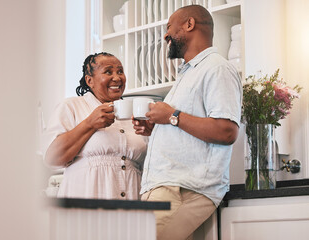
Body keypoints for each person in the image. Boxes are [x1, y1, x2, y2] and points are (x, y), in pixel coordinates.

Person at [132, 5, 242, 240]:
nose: (165, 35)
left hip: (184, 189)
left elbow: (226, 131)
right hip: (169, 187)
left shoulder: (217, 68)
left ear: (189, 24)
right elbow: (186, 125)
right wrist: (158, 127)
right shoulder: (188, 74)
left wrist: (172, 116)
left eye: (169, 27)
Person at [44, 52, 148, 200]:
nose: (117, 78)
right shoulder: (72, 107)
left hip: (130, 205)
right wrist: (89, 124)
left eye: (120, 71)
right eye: (108, 71)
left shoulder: (135, 116)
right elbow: (53, 159)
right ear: (89, 80)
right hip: (85, 204)